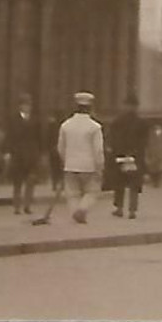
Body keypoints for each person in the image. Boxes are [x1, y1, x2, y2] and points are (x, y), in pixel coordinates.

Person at [57, 91, 106, 224]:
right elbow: (98, 150)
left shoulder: (65, 125)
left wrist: (65, 161)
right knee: (92, 191)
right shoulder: (95, 127)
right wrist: (100, 167)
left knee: (72, 193)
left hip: (70, 165)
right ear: (90, 108)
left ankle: (75, 213)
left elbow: (60, 147)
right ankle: (82, 210)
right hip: (89, 166)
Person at [108, 93, 149, 219]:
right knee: (133, 184)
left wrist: (115, 151)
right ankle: (132, 210)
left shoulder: (117, 121)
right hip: (135, 156)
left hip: (120, 155)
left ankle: (119, 208)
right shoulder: (142, 122)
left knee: (119, 182)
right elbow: (145, 141)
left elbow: (112, 138)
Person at [7, 94, 42, 215]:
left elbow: (39, 138)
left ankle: (27, 205)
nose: (27, 107)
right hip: (18, 155)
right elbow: (10, 137)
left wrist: (38, 153)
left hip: (31, 155)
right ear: (20, 106)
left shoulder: (35, 120)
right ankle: (17, 206)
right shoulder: (14, 120)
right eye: (24, 104)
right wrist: (10, 152)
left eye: (28, 104)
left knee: (30, 181)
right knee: (18, 182)